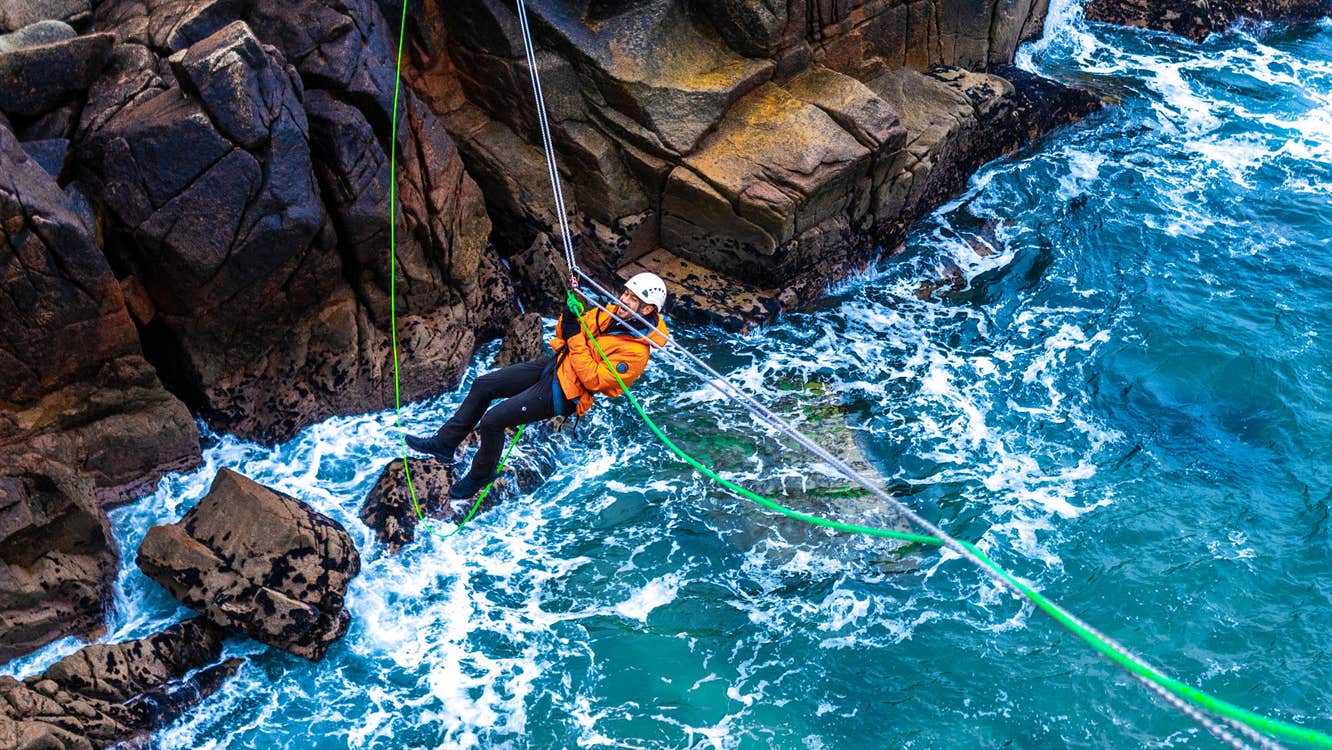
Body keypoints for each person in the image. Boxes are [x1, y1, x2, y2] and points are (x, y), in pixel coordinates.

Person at [405, 272, 670, 499]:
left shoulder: (636, 354)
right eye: (625, 293)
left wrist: (574, 337)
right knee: (483, 384)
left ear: (648, 310)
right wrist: (568, 318)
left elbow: (594, 379)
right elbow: (567, 334)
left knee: (492, 421)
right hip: (556, 366)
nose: (624, 300)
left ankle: (481, 475)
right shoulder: (611, 314)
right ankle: (445, 443)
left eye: (634, 299)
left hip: (566, 393)